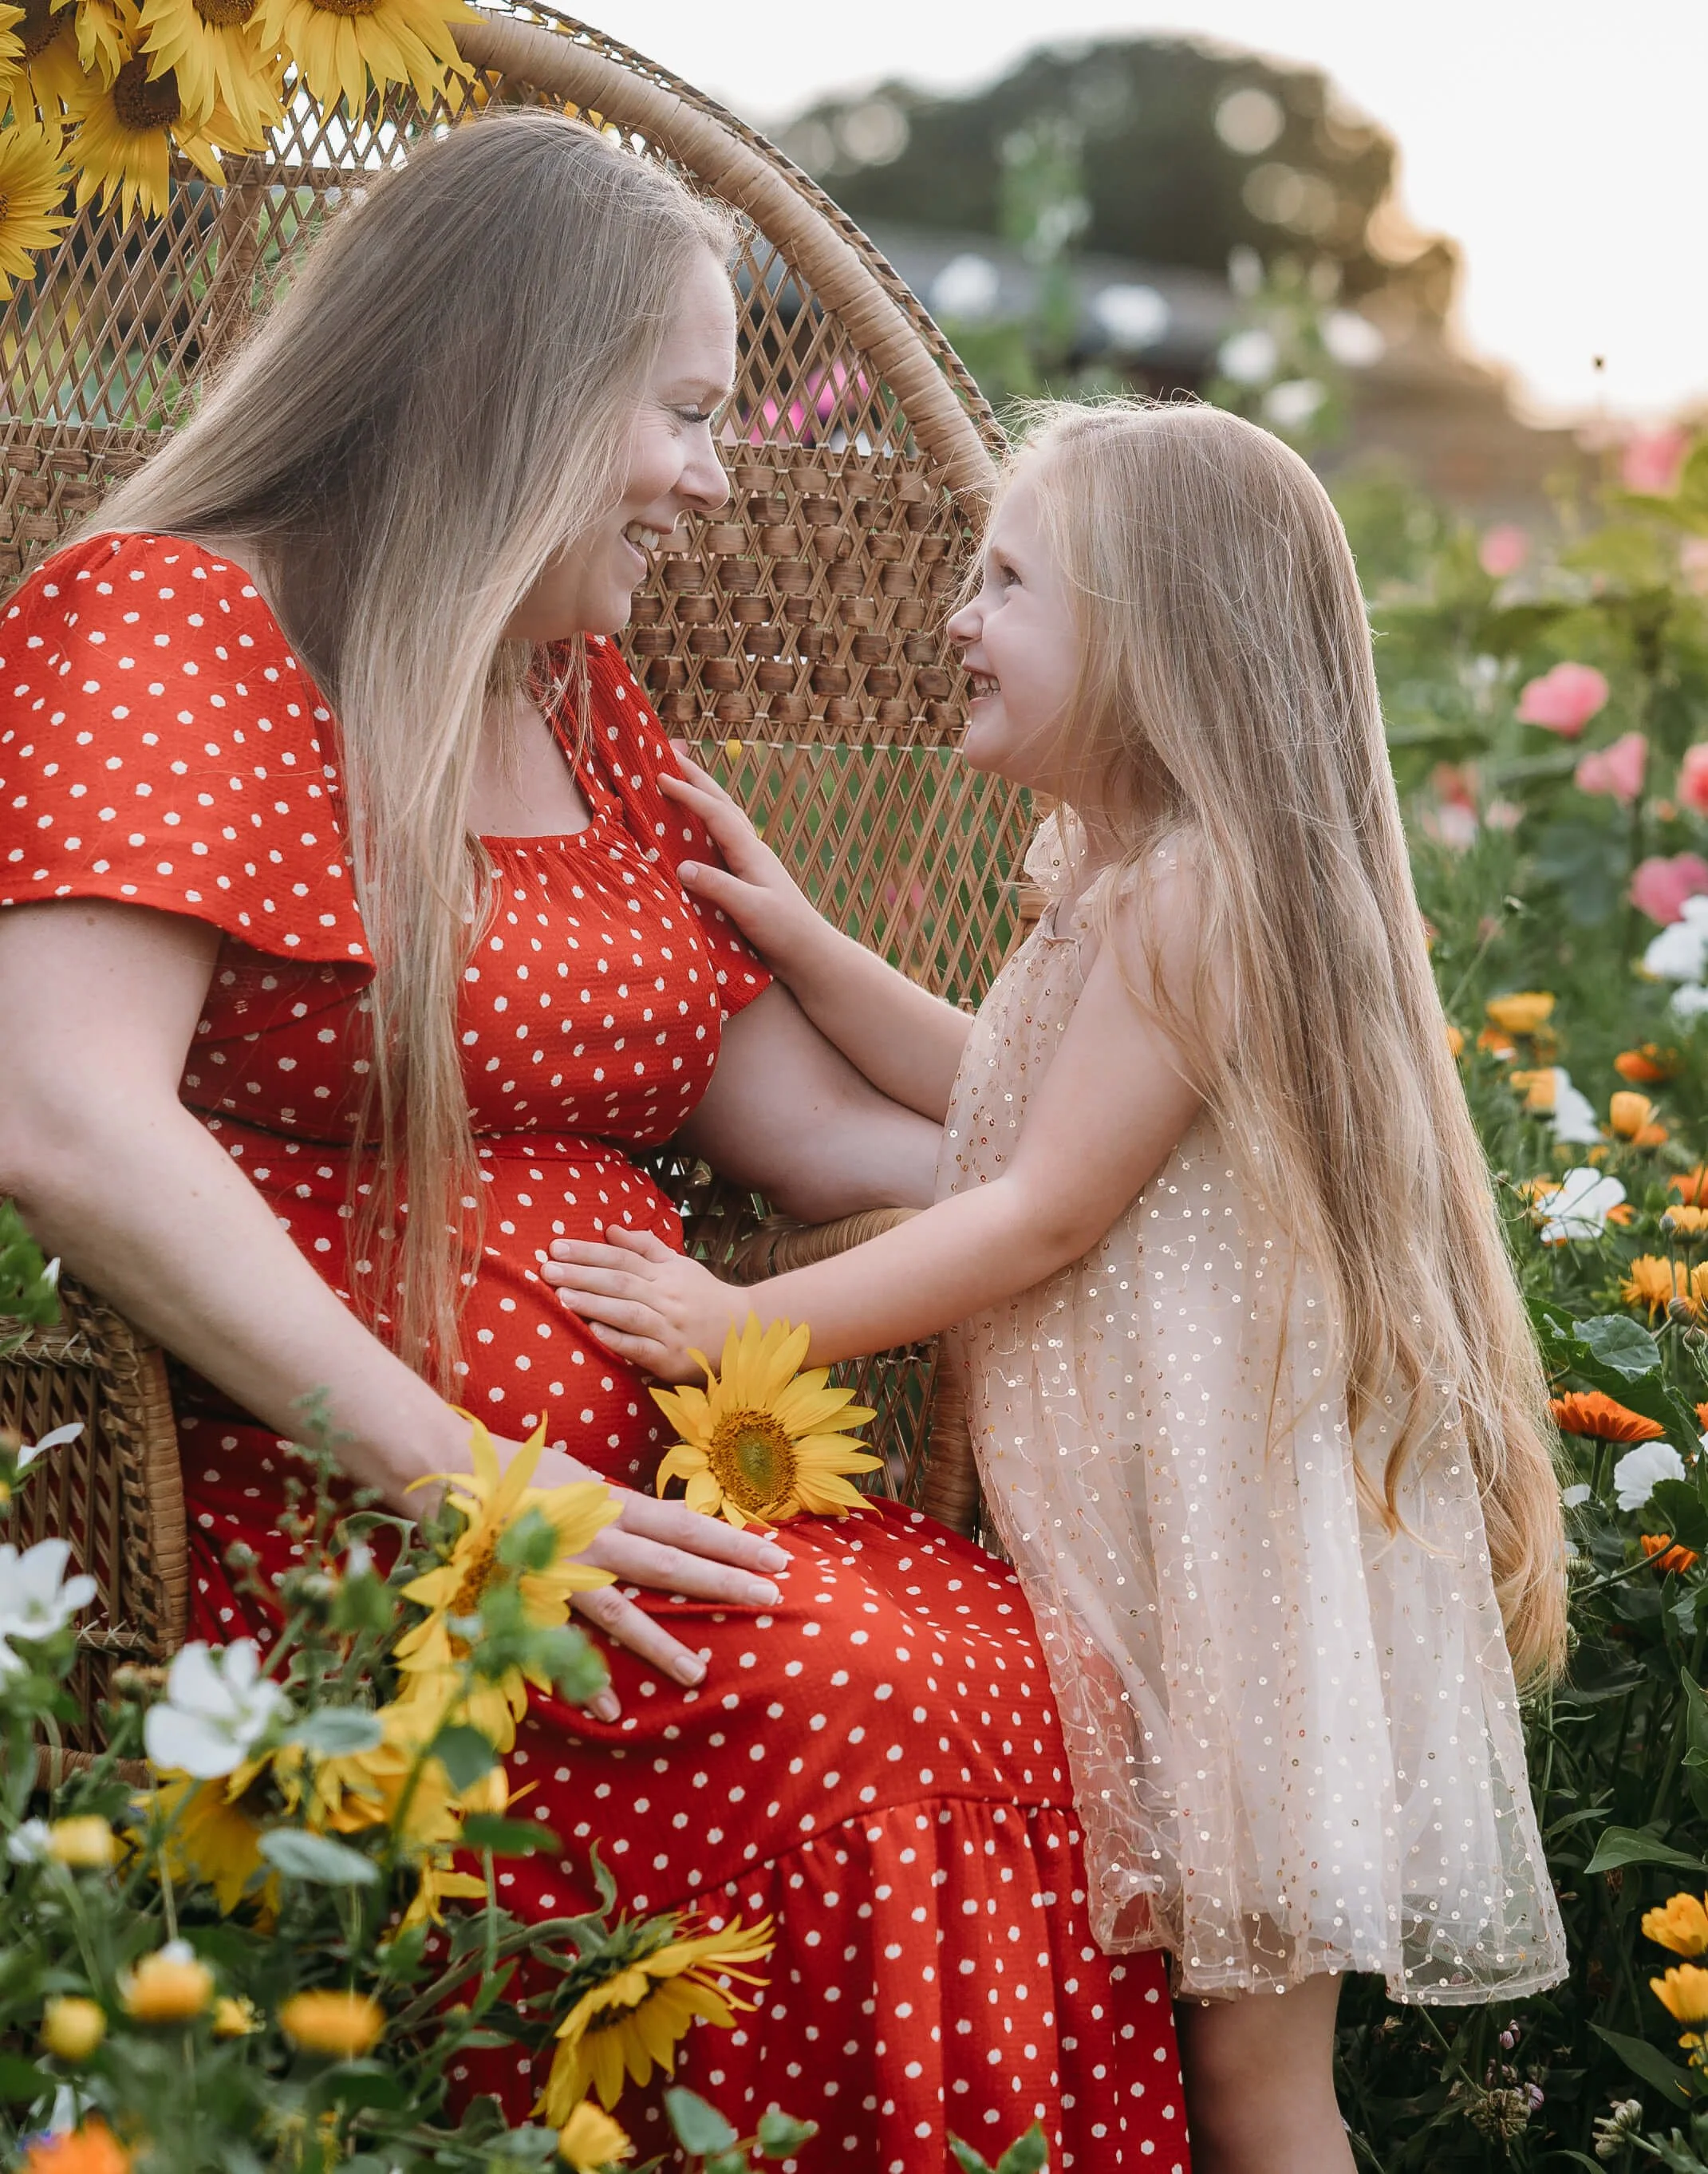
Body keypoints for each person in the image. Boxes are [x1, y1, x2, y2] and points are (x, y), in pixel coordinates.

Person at [0, 115, 1192, 2167]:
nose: (717, 480)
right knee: (874, 1726)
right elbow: (65, 1118)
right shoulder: (169, 624)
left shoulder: (574, 693)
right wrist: (465, 1478)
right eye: (687, 414)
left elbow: (814, 1133)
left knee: (1037, 1675)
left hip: (654, 1491)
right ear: (515, 385)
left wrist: (1188, 1183)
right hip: (354, 1521)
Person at [547, 398, 1571, 2174]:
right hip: (1158, 1556)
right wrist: (796, 932)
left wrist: (739, 1329)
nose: (959, 613)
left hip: (1224, 1586)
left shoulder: (1201, 898)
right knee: (1205, 2068)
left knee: (1257, 2087)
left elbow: (1031, 1210)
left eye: (1008, 581)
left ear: (1155, 640)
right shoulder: (1115, 881)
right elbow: (994, 1089)